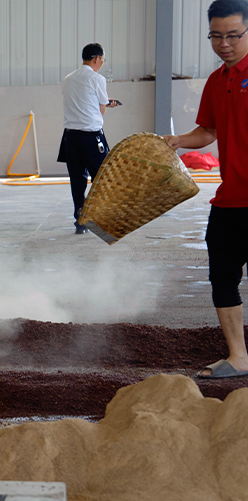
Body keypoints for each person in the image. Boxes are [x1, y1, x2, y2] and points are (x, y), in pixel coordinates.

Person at [164, 0, 248, 379]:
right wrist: (178, 140)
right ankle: (239, 356)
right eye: (216, 35)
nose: (224, 43)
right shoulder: (216, 81)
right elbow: (209, 131)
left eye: (233, 35)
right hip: (230, 199)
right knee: (222, 278)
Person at [57, 43, 120, 234]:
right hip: (91, 137)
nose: (102, 62)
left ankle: (80, 220)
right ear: (96, 59)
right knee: (102, 178)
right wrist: (104, 108)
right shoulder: (97, 79)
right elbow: (101, 109)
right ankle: (101, 219)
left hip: (70, 137)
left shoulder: (68, 79)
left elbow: (79, 102)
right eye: (103, 59)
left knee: (77, 179)